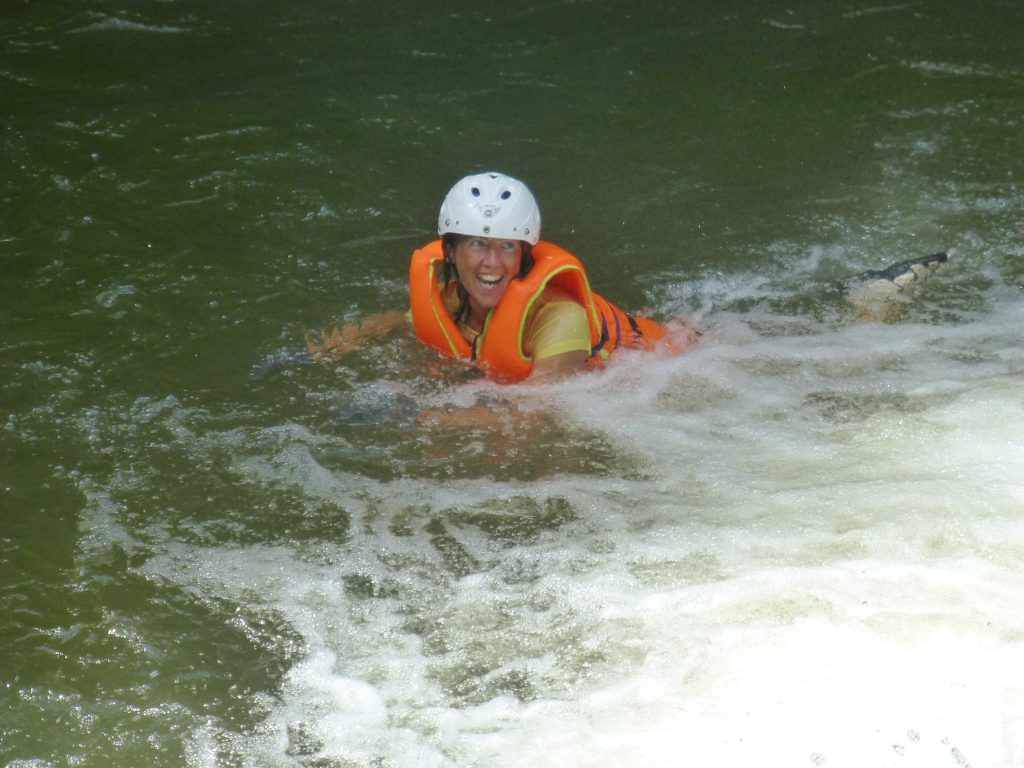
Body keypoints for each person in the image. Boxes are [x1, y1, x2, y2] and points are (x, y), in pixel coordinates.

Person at [307, 171, 696, 382]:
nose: (492, 263)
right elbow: (402, 321)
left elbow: (542, 413)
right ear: (451, 252)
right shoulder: (453, 297)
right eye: (478, 244)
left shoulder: (561, 318)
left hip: (677, 363)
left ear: (524, 255)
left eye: (507, 246)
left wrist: (427, 419)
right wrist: (351, 340)